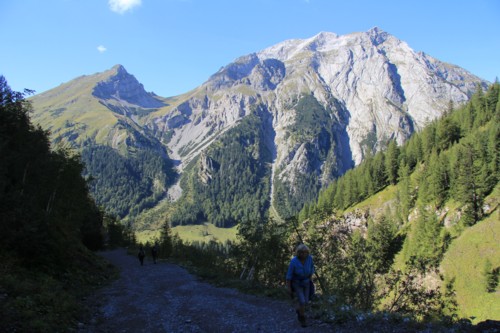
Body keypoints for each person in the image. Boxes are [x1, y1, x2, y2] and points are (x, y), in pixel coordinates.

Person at [286, 244, 315, 327]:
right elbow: (289, 275)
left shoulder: (309, 258)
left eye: (305, 252)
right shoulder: (294, 261)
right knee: (302, 301)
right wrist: (289, 288)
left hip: (306, 282)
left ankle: (299, 310)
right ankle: (302, 318)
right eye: (301, 252)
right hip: (297, 283)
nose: (303, 254)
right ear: (298, 253)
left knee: (306, 301)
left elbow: (312, 268)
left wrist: (310, 278)